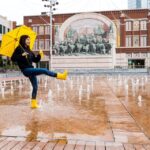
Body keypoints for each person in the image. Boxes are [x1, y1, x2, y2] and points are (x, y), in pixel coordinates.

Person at [11, 35, 68, 109]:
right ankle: (60, 76)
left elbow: (35, 60)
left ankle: (33, 104)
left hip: (31, 69)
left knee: (35, 87)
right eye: (27, 39)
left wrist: (39, 55)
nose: (29, 41)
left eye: (29, 39)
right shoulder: (19, 48)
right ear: (23, 40)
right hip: (26, 70)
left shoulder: (29, 50)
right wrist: (22, 55)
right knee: (44, 70)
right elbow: (13, 59)